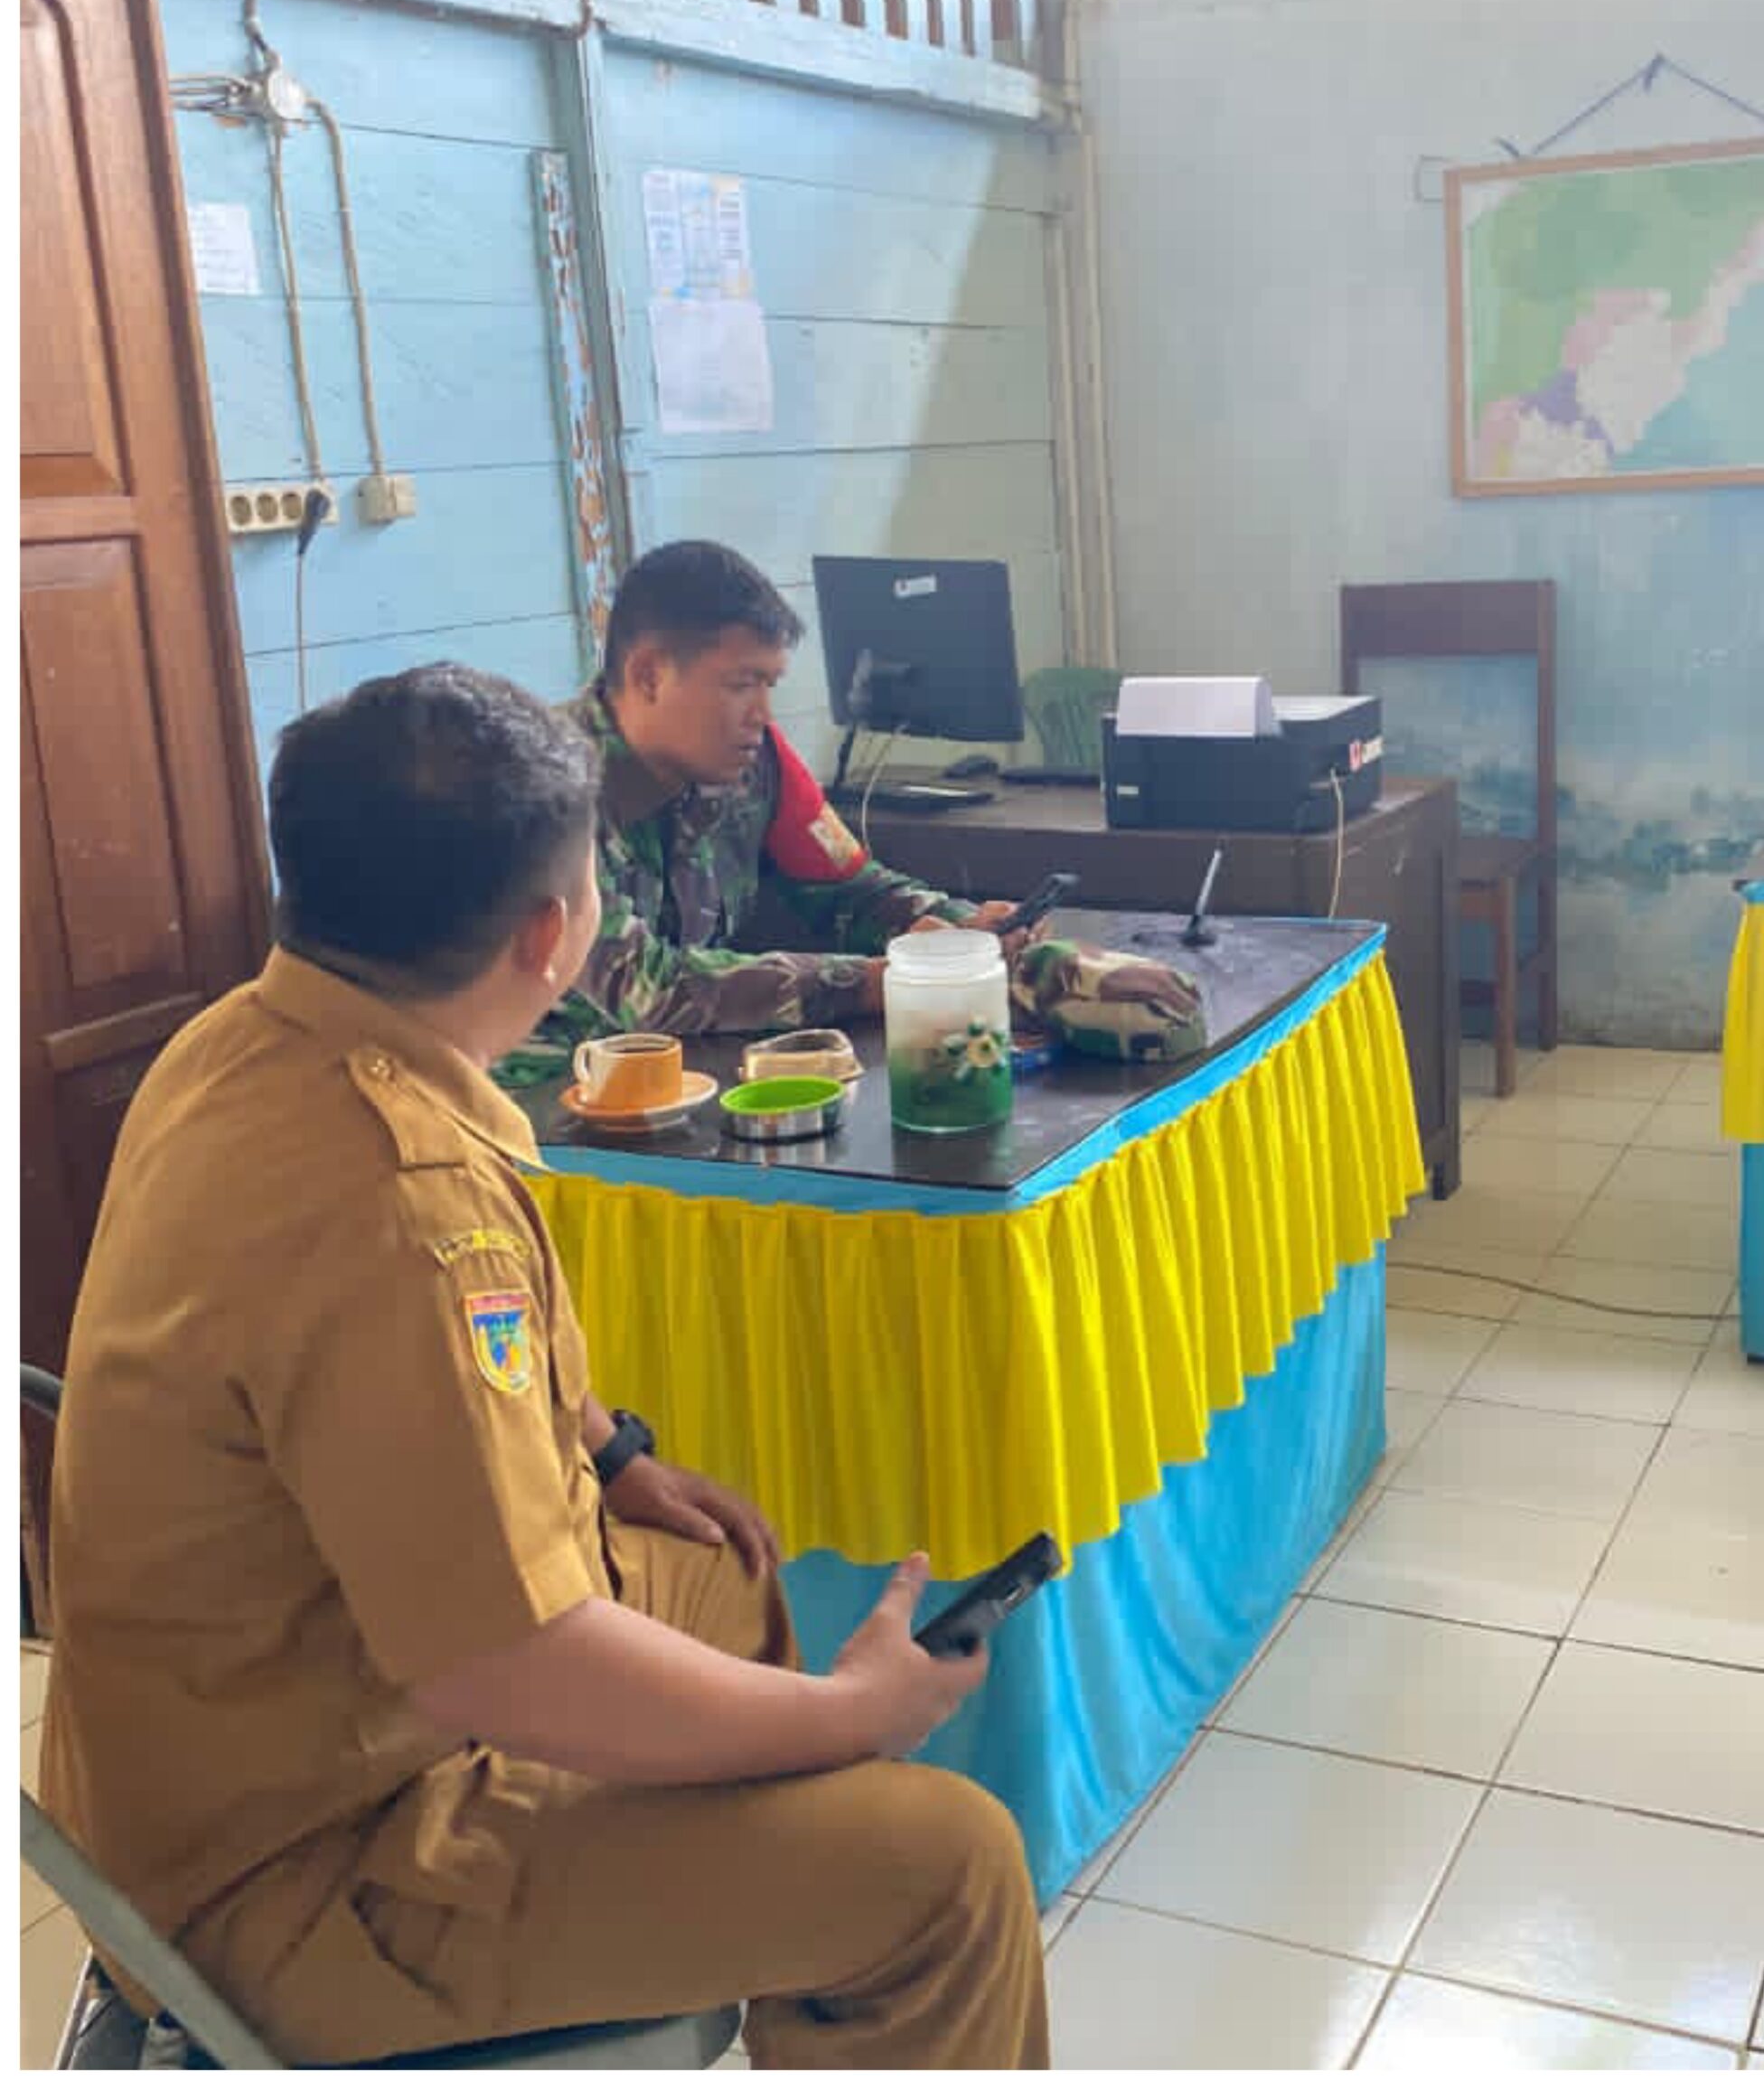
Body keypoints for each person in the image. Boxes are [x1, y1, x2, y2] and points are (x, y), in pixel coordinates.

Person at [38, 664, 1049, 2069]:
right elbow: (506, 1669)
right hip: (301, 1864)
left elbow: (380, 1389)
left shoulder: (243, 1039)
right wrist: (848, 1714)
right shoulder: (404, 1206)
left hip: (233, 1734)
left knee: (722, 1570)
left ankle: (759, 1913)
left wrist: (609, 1452)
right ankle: (795, 1897)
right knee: (948, 1871)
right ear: (552, 933)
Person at [519, 539, 1015, 1076]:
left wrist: (965, 934)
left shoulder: (757, 762)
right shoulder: (538, 789)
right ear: (648, 676)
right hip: (536, 1105)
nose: (763, 713)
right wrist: (879, 980)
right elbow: (648, 991)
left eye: (769, 684)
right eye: (741, 685)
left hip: (689, 1082)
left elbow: (850, 889)